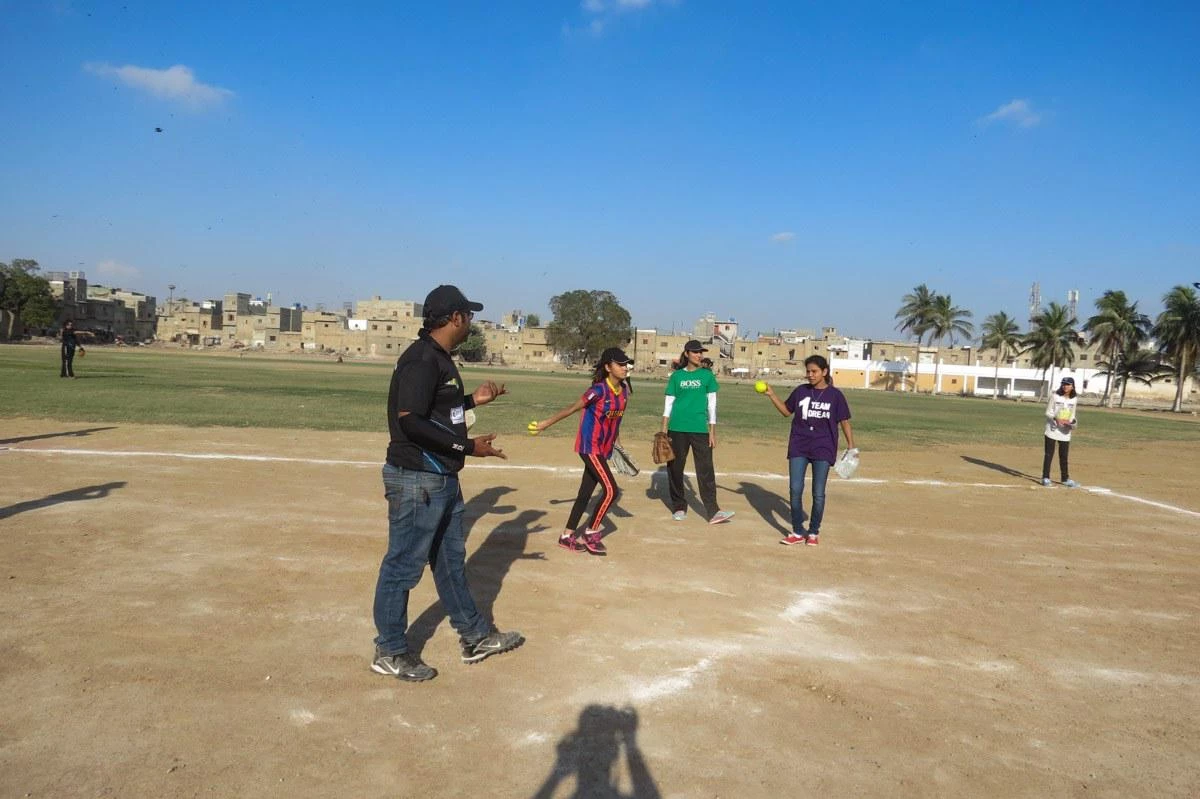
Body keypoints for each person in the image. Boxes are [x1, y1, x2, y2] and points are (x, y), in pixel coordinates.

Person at [371, 284, 523, 683]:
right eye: (469, 315)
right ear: (455, 318)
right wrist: (467, 445)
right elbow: (410, 419)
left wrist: (472, 401)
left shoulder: (438, 359)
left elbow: (435, 410)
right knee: (403, 566)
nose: (471, 322)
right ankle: (389, 650)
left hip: (440, 476)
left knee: (450, 561)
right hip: (417, 477)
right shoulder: (422, 360)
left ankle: (474, 636)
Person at [532, 347, 633, 556]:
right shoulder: (597, 391)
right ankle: (591, 532)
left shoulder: (624, 392)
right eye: (620, 364)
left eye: (625, 364)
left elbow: (616, 421)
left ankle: (567, 536)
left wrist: (617, 445)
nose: (624, 367)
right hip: (590, 447)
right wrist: (545, 424)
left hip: (604, 448)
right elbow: (571, 408)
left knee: (585, 494)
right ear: (607, 367)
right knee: (611, 490)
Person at [760, 355, 855, 546]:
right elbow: (786, 412)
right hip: (799, 445)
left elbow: (844, 421)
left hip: (823, 447)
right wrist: (771, 394)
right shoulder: (801, 391)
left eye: (814, 371)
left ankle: (813, 532)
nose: (810, 375)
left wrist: (851, 446)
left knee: (818, 493)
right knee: (795, 490)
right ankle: (797, 531)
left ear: (824, 372)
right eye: (808, 371)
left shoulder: (835, 395)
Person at [662, 340, 734, 525]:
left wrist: (712, 430)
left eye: (700, 352)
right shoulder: (676, 376)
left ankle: (713, 511)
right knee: (675, 468)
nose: (699, 355)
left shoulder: (707, 376)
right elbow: (669, 403)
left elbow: (712, 405)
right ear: (686, 354)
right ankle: (679, 506)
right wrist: (663, 430)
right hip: (677, 427)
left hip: (700, 429)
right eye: (695, 352)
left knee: (706, 469)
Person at [1042, 376, 1079, 487]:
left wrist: (1071, 423)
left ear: (1072, 386)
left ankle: (1065, 478)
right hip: (1052, 430)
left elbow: (1072, 414)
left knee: (1064, 456)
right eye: (1063, 384)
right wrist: (1056, 419)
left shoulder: (1074, 399)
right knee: (1049, 455)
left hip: (1065, 432)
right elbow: (1048, 412)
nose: (1065, 386)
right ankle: (1045, 477)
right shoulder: (1055, 396)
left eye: (1068, 384)